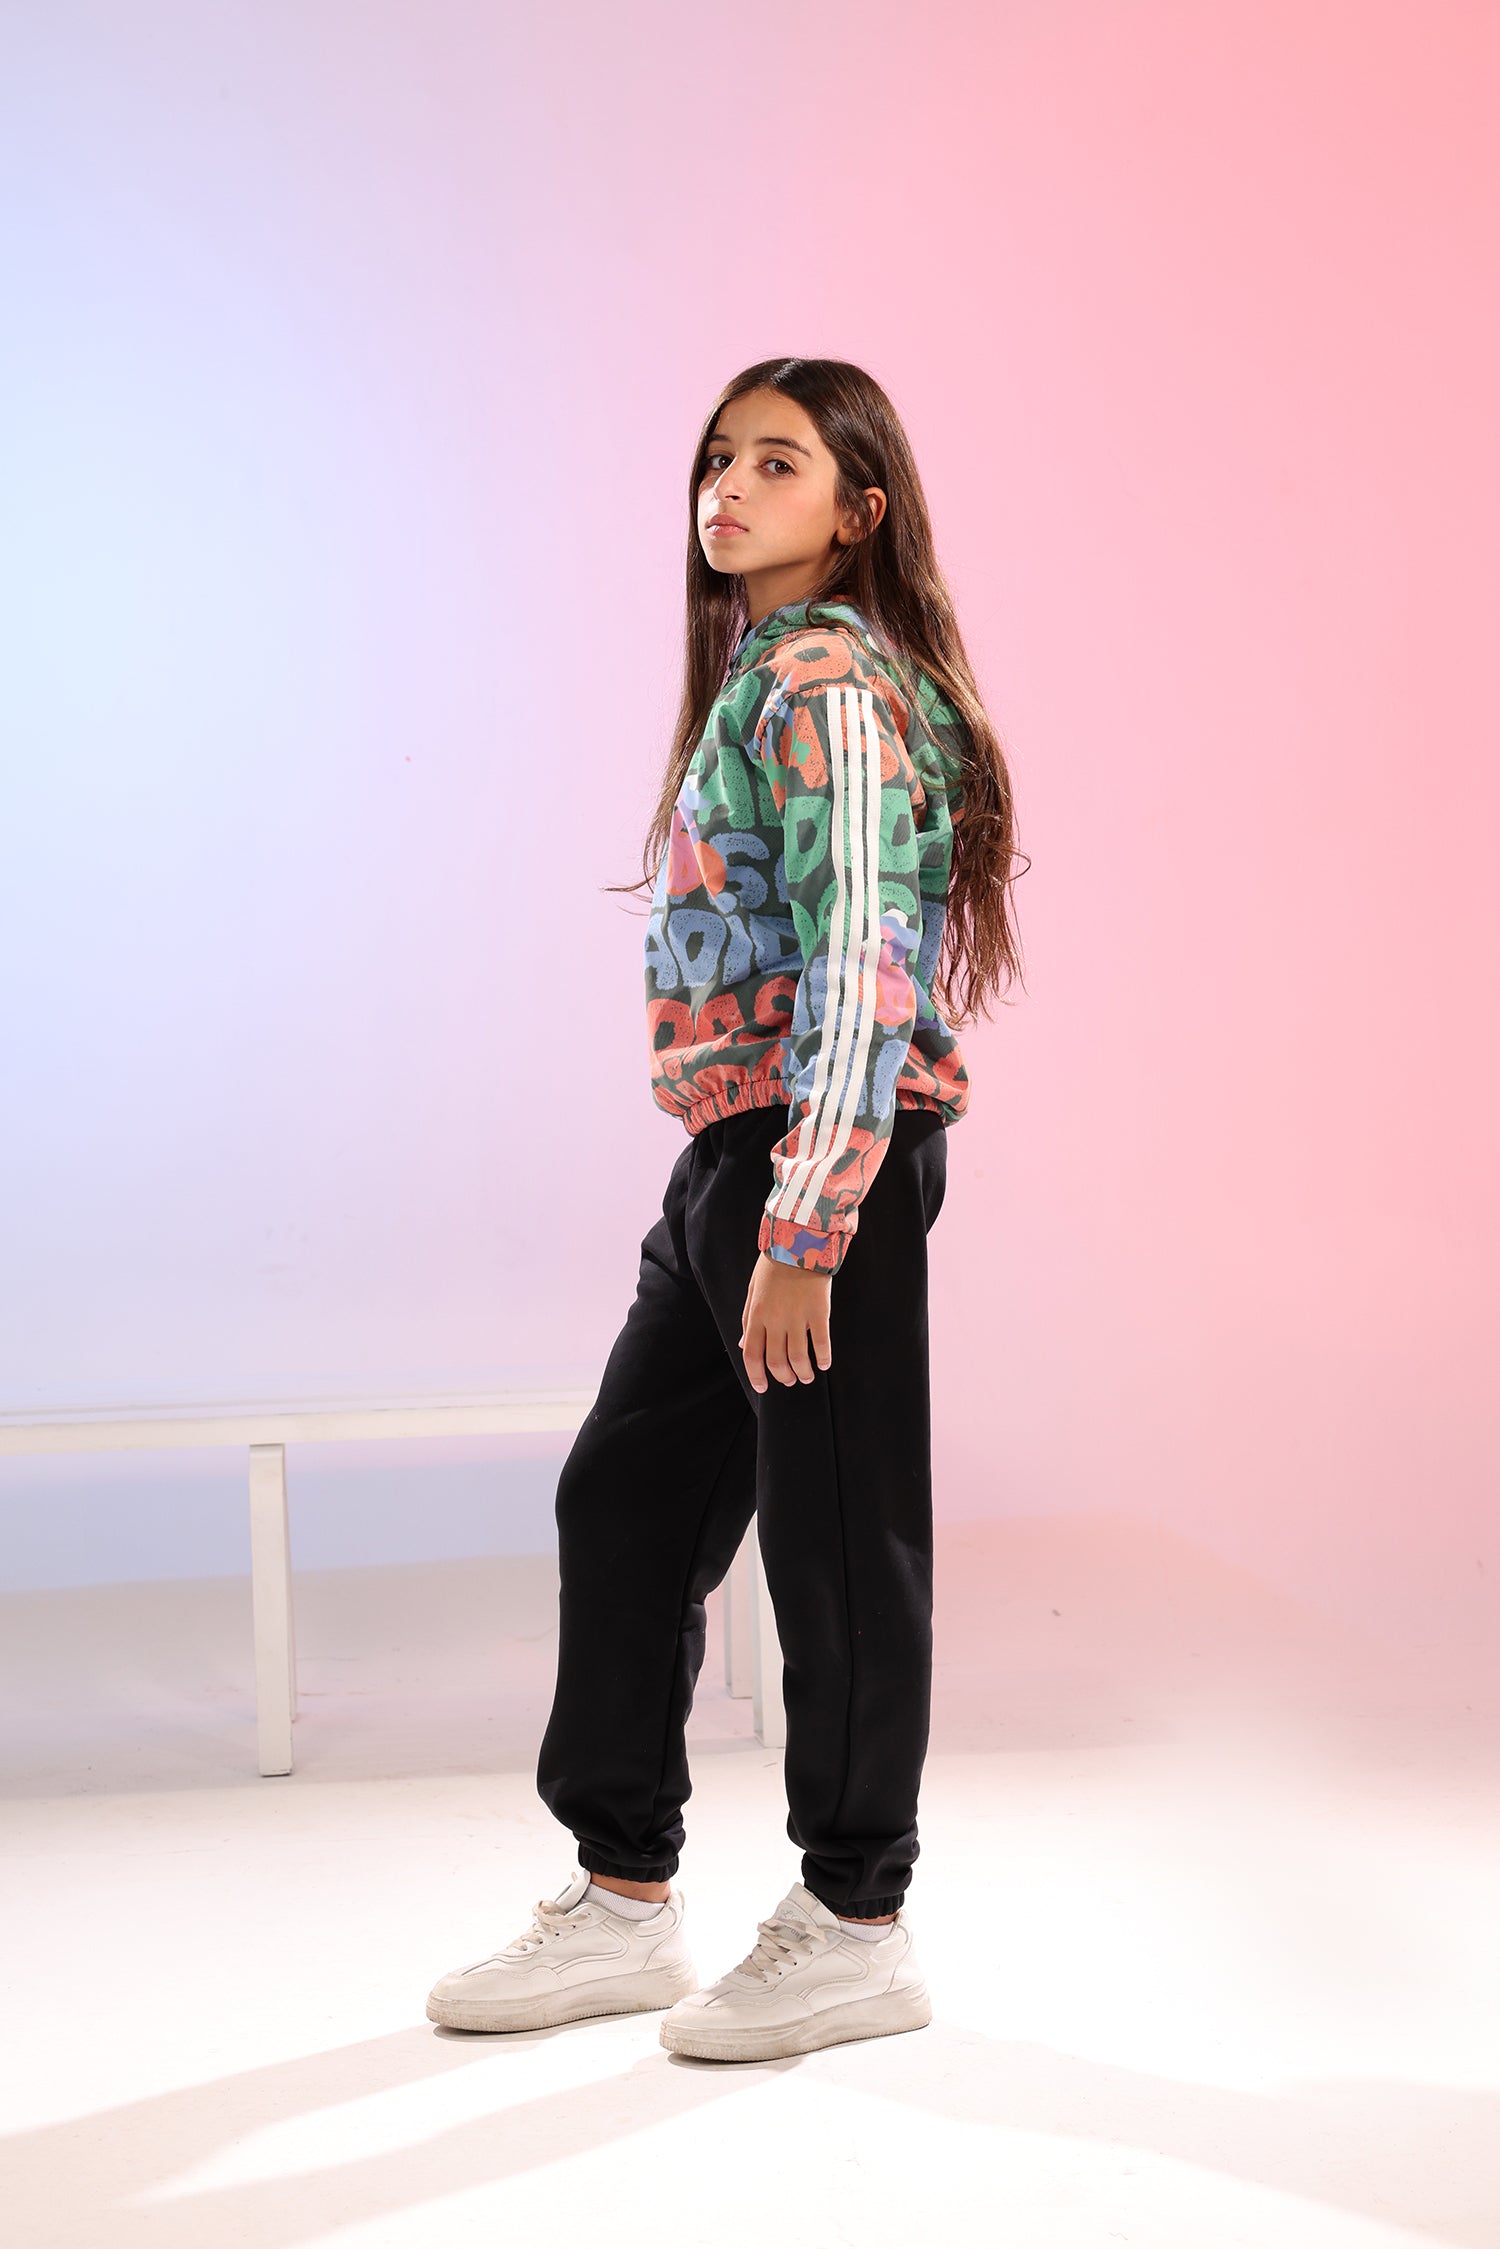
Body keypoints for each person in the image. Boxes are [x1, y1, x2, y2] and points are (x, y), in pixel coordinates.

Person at [426, 356, 1024, 2063]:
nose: (730, 486)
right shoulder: (764, 675)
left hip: (817, 1159)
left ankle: (856, 1921)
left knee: (838, 1541)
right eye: (718, 458)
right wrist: (746, 1192)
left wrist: (805, 1222)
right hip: (733, 1150)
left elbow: (862, 960)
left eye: (777, 462)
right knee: (626, 1497)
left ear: (861, 509)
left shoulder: (829, 675)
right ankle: (625, 1897)